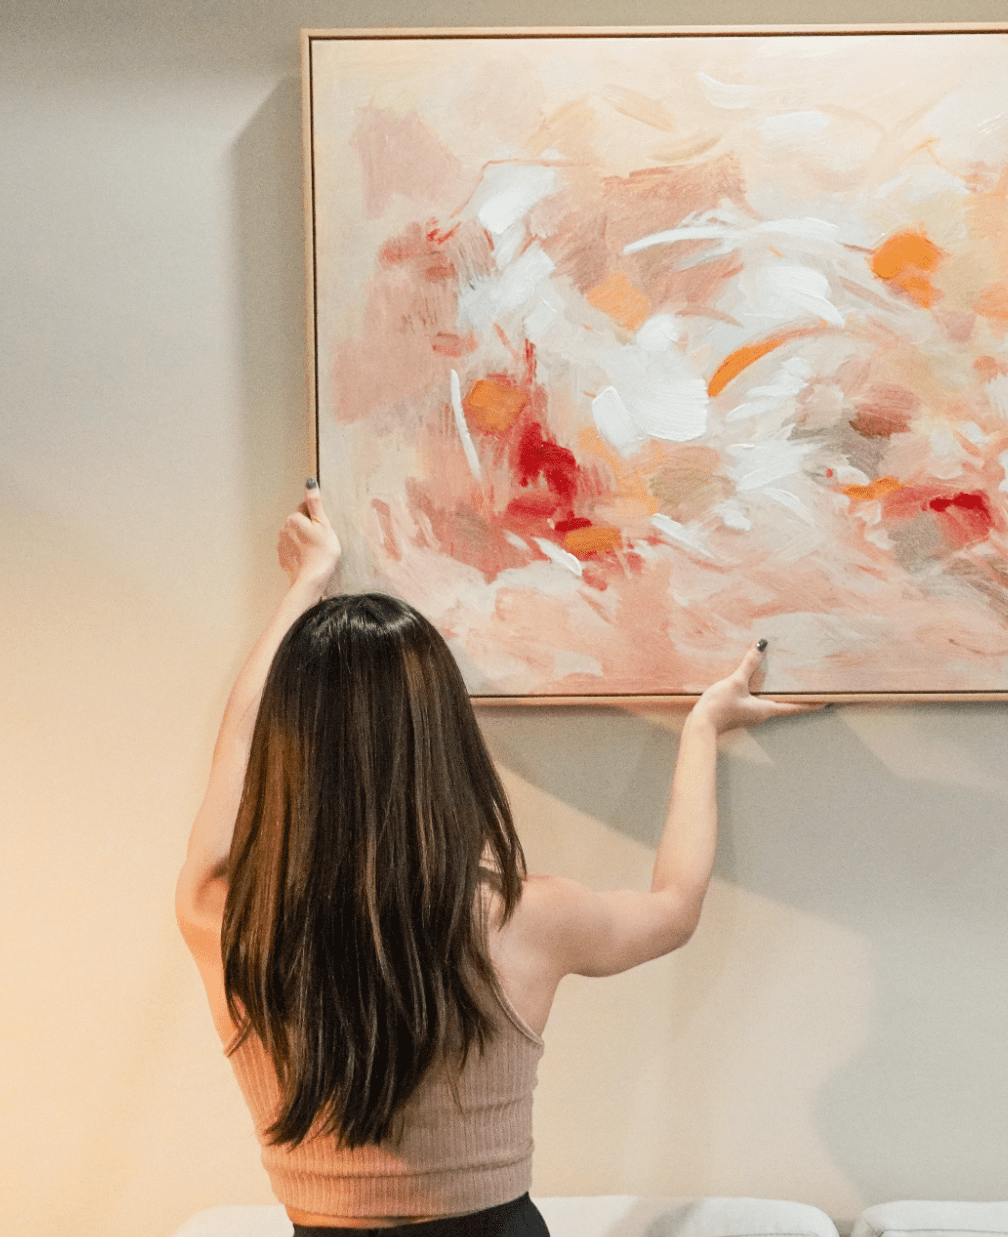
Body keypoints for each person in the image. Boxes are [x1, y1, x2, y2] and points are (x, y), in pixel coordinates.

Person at [176, 482, 818, 1237]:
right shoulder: (521, 916)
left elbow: (240, 744)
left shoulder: (223, 918)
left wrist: (307, 588)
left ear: (290, 747)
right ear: (442, 736)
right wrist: (702, 731)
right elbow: (674, 905)